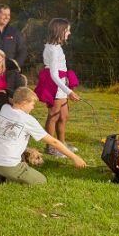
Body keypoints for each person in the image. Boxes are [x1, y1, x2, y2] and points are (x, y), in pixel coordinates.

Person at [0, 87, 87, 184]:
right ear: (24, 103)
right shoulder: (28, 120)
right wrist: (75, 157)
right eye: (32, 104)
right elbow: (53, 142)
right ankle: (6, 175)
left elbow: (13, 100)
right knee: (41, 181)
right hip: (8, 164)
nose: (33, 107)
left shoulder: (4, 108)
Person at [38, 18, 80, 156]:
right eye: (67, 30)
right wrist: (69, 92)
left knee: (64, 116)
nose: (69, 33)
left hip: (61, 85)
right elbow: (54, 75)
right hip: (55, 86)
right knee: (53, 116)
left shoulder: (56, 47)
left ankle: (61, 144)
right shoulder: (53, 50)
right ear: (60, 31)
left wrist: (67, 83)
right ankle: (50, 147)